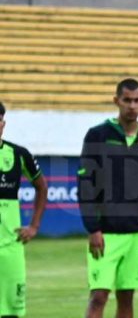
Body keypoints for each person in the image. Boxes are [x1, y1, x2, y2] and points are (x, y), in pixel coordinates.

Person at [78, 78, 138, 318]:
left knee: (127, 298)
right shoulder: (97, 136)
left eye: (137, 101)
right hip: (105, 233)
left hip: (137, 233)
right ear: (117, 101)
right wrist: (92, 228)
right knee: (98, 296)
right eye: (127, 100)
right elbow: (85, 184)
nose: (132, 106)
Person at [0, 101, 48, 318]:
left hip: (11, 247)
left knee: (13, 310)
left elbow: (41, 186)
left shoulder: (18, 154)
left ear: (3, 124)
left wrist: (34, 226)